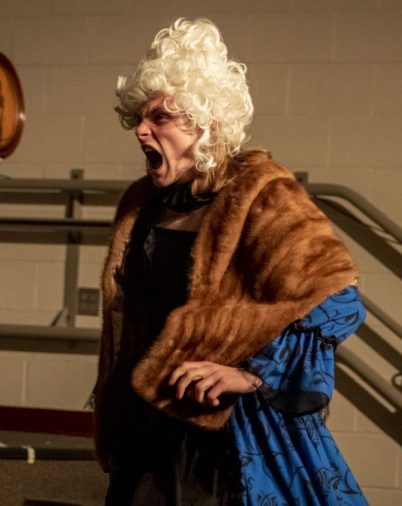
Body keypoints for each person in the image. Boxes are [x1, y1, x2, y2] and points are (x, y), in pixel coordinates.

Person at [93, 18, 368, 506]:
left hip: (224, 443)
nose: (140, 129)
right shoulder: (141, 204)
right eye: (140, 115)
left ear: (207, 124)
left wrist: (254, 372)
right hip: (147, 435)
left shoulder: (262, 194)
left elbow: (339, 301)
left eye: (160, 118)